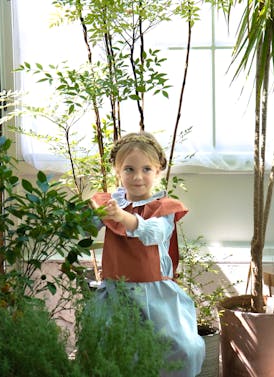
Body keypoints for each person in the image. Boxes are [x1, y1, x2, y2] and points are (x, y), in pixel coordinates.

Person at [91, 131, 205, 377]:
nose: (137, 177)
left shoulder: (163, 209)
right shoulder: (111, 204)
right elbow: (84, 230)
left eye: (146, 169)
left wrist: (123, 218)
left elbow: (154, 233)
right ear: (117, 171)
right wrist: (92, 215)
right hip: (116, 293)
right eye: (129, 169)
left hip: (154, 296)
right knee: (113, 350)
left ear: (158, 171)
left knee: (181, 349)